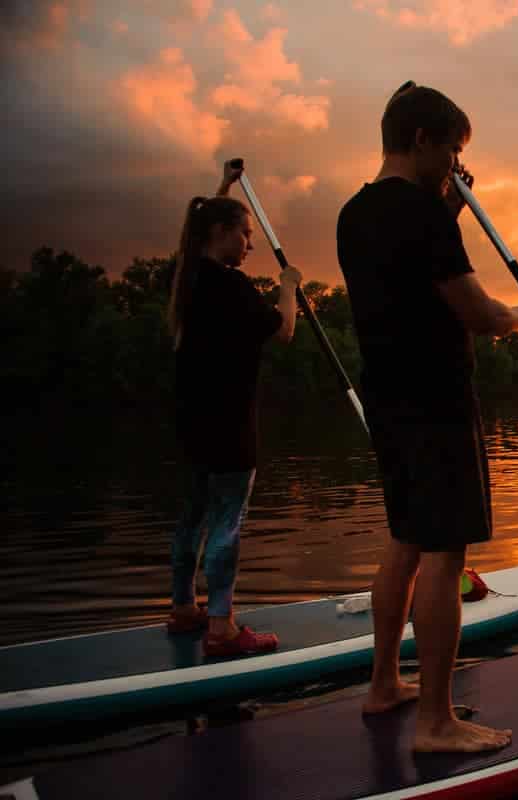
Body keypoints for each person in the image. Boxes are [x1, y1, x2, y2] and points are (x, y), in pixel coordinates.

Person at [336, 84, 518, 753]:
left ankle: (383, 685)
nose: (456, 164)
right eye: (453, 149)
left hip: (388, 398)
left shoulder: (355, 212)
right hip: (434, 398)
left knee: (405, 539)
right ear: (425, 139)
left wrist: (449, 213)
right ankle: (435, 721)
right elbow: (480, 314)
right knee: (443, 552)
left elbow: (410, 278)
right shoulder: (421, 217)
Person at [166, 161, 304, 657]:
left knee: (192, 519)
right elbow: (284, 331)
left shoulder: (187, 277)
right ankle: (221, 627)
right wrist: (288, 285)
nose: (249, 244)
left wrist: (222, 188)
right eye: (245, 235)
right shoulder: (231, 286)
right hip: (229, 427)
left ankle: (184, 608)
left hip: (191, 427)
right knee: (226, 523)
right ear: (220, 233)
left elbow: (192, 234)